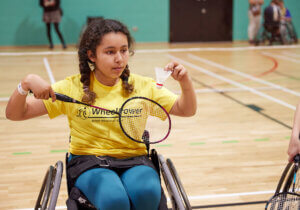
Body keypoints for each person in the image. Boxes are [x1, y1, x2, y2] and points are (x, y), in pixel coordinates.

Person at [5, 19, 197, 210]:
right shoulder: (72, 88)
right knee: (114, 200)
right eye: (110, 52)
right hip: (89, 162)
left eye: (123, 50)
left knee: (147, 194)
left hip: (135, 159)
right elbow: (15, 114)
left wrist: (185, 82)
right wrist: (26, 84)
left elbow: (186, 109)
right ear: (91, 55)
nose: (119, 58)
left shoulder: (143, 86)